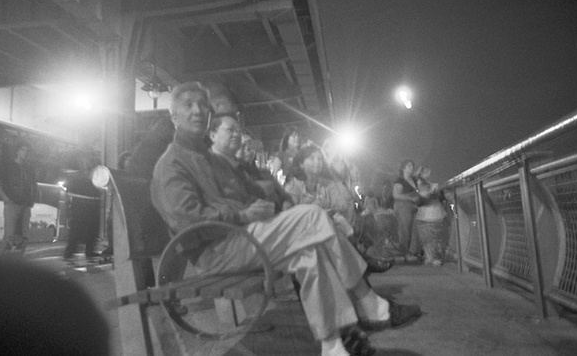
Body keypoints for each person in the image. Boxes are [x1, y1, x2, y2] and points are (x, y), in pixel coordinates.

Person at [151, 82, 420, 356]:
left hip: (242, 237)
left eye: (202, 105)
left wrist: (262, 197)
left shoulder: (211, 159)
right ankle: (369, 302)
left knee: (310, 253)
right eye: (188, 105)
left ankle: (332, 345)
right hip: (217, 249)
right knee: (312, 217)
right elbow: (189, 220)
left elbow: (248, 192)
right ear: (173, 116)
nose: (197, 110)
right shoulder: (172, 164)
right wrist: (243, 213)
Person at [286, 145, 394, 273]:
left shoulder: (327, 184)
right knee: (337, 223)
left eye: (320, 159)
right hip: (304, 229)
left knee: (340, 221)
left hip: (328, 226)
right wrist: (319, 211)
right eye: (312, 158)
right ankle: (361, 259)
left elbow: (340, 205)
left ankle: (360, 261)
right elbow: (292, 214)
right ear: (301, 164)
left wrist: (320, 211)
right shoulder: (293, 187)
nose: (317, 162)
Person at [0, 140, 38, 256]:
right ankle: (4, 262)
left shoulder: (30, 169)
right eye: (23, 150)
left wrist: (32, 200)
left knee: (24, 236)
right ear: (17, 151)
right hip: (12, 205)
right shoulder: (8, 166)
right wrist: (7, 199)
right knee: (10, 235)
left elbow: (34, 185)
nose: (26, 153)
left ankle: (17, 260)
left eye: (27, 151)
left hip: (25, 205)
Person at [236, 128, 294, 212]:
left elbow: (285, 196)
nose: (248, 149)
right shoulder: (231, 175)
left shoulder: (264, 173)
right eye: (243, 145)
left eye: (251, 145)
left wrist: (286, 203)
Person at [63, 154, 102, 260]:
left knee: (92, 229)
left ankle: (88, 250)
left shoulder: (93, 172)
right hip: (81, 203)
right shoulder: (79, 174)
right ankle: (70, 251)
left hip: (92, 202)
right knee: (77, 228)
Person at [414, 165, 447, 266]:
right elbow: (422, 198)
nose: (428, 174)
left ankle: (430, 258)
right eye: (426, 172)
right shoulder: (421, 184)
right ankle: (433, 258)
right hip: (431, 214)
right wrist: (432, 194)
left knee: (428, 239)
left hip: (427, 215)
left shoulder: (422, 184)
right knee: (434, 237)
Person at [393, 159, 421, 263]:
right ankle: (403, 252)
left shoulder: (413, 180)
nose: (411, 168)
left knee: (414, 230)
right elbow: (396, 195)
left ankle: (411, 252)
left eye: (412, 166)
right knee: (405, 230)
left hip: (414, 208)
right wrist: (410, 198)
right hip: (403, 207)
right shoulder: (400, 181)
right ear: (403, 168)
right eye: (409, 166)